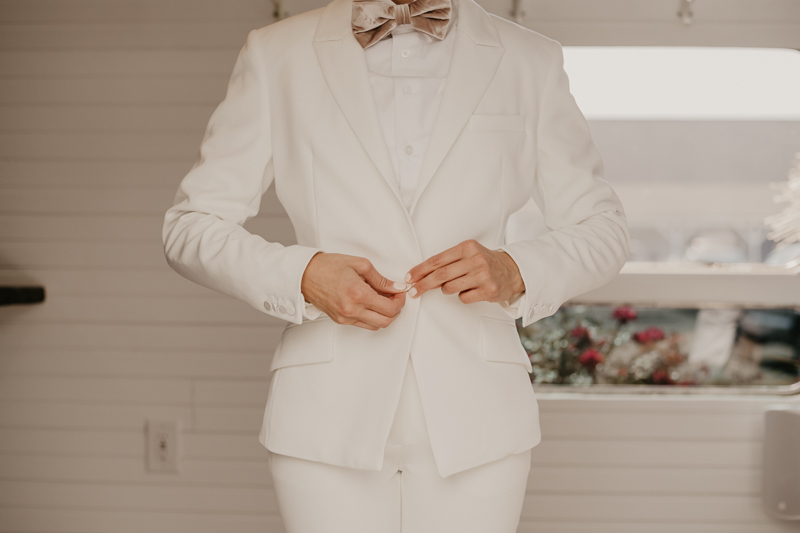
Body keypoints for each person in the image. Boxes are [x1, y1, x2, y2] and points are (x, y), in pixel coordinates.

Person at [161, 0, 630, 530]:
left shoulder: (530, 59)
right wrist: (302, 275)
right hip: (325, 417)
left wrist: (516, 268)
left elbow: (604, 227)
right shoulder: (277, 54)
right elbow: (190, 225)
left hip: (479, 419)